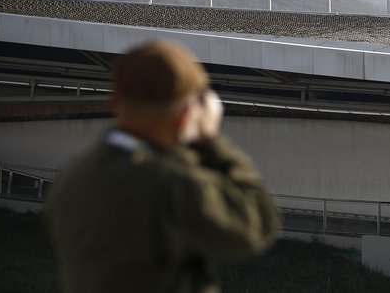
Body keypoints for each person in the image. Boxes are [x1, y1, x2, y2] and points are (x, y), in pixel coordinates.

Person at [45, 40, 280, 293]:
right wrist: (209, 138)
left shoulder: (71, 177)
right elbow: (258, 224)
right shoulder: (171, 182)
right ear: (185, 117)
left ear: (114, 101)